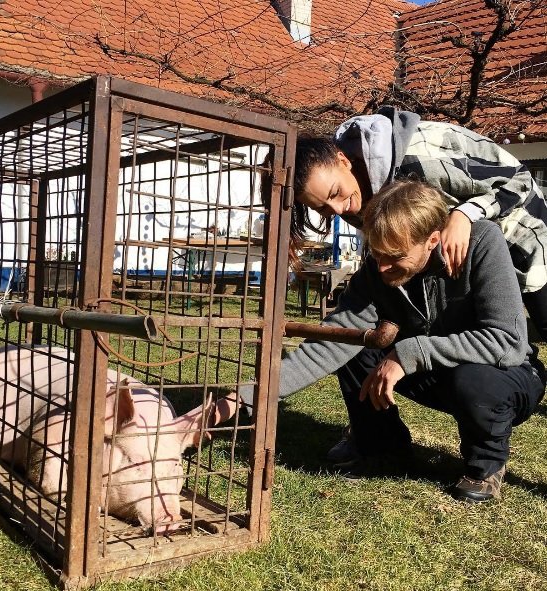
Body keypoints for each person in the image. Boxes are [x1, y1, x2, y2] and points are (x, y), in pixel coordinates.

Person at [219, 180, 545, 503]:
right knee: (353, 346)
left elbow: (507, 342)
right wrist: (241, 399)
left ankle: (485, 464)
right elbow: (327, 346)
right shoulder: (378, 269)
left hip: (508, 374)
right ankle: (381, 444)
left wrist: (408, 353)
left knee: (472, 380)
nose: (382, 267)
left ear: (432, 240)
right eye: (376, 254)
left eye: (394, 256)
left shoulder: (482, 243)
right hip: (437, 371)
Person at [290, 107, 547, 340]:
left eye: (335, 193)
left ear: (343, 160)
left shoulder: (422, 156)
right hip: (465, 264)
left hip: (524, 240)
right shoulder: (354, 196)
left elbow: (519, 178)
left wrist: (465, 214)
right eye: (322, 207)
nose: (337, 209)